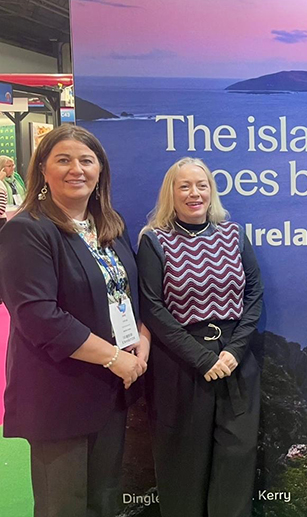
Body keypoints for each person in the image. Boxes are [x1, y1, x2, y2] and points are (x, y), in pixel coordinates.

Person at [0, 125, 149, 516]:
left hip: (109, 389)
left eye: (86, 160)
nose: (76, 169)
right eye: (63, 160)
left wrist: (141, 341)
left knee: (104, 500)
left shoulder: (111, 226)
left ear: (100, 170)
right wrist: (114, 357)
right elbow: (38, 316)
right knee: (63, 505)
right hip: (58, 393)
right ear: (43, 170)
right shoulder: (26, 230)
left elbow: (128, 294)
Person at [137, 157, 263, 517]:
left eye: (202, 185)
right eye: (185, 186)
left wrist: (234, 350)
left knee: (236, 459)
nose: (194, 193)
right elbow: (152, 307)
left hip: (235, 361)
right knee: (183, 464)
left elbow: (254, 294)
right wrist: (202, 358)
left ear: (211, 191)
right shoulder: (154, 241)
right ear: (171, 193)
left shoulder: (234, 234)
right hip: (181, 365)